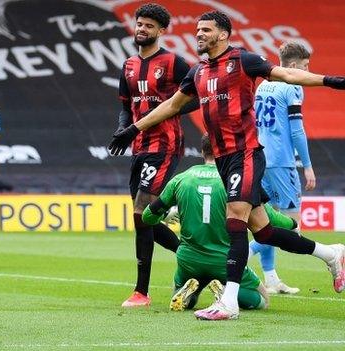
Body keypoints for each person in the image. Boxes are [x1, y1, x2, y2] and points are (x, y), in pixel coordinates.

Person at [109, 10, 345, 320]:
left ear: (223, 34)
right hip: (223, 159)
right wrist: (133, 129)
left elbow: (288, 74)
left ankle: (229, 302)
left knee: (234, 220)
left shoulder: (244, 60)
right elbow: (171, 106)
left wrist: (332, 81)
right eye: (198, 30)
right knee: (263, 232)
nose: (199, 35)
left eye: (206, 30)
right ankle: (332, 254)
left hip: (246, 152)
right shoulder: (197, 72)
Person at [143, 135, 303, 312]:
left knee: (182, 288)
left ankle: (189, 292)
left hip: (188, 259)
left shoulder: (181, 179)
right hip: (224, 260)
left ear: (202, 151)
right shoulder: (236, 179)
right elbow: (270, 219)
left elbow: (147, 217)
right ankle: (224, 289)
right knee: (263, 300)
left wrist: (163, 215)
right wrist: (293, 224)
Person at [107, 3, 197, 308]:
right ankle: (195, 256)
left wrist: (167, 111)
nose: (141, 29)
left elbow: (197, 98)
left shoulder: (174, 63)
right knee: (142, 217)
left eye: (148, 26)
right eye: (139, 24)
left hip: (165, 144)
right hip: (138, 146)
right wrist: (123, 130)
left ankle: (141, 292)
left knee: (141, 211)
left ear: (161, 31)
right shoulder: (129, 65)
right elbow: (125, 106)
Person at [248, 42, 315, 295]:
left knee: (265, 220)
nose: (308, 71)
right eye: (306, 67)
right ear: (294, 66)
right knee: (292, 226)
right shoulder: (293, 86)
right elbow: (297, 130)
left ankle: (271, 278)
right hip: (282, 161)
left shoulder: (263, 85)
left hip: (261, 158)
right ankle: (240, 256)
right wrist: (307, 166)